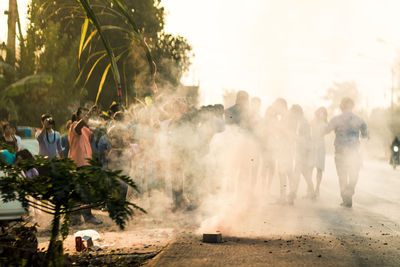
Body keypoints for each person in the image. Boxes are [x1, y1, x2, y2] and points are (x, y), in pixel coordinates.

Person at [325, 97, 368, 208]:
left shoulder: (336, 119)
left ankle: (346, 199)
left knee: (342, 176)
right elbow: (365, 135)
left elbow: (326, 130)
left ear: (341, 106)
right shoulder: (359, 120)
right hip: (354, 151)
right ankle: (350, 191)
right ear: (352, 106)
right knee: (354, 173)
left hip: (340, 152)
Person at [68, 106, 102, 225]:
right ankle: (87, 217)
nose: (85, 116)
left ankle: (75, 218)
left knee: (79, 191)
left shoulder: (86, 129)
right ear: (77, 116)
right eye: (83, 114)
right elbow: (78, 127)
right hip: (79, 162)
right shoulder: (74, 126)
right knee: (84, 190)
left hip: (86, 162)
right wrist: (88, 116)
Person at [287, 105, 314, 205]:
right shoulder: (301, 121)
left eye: (292, 113)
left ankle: (292, 193)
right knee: (304, 172)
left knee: (297, 172)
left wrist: (294, 137)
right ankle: (312, 191)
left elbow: (306, 138)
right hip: (301, 150)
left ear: (296, 112)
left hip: (303, 151)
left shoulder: (304, 123)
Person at [311, 107, 328, 197]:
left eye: (324, 113)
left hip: (321, 147)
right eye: (321, 113)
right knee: (310, 167)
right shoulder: (313, 121)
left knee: (319, 169)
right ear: (318, 113)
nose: (322, 115)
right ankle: (310, 189)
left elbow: (325, 132)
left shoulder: (325, 124)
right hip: (313, 146)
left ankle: (317, 188)